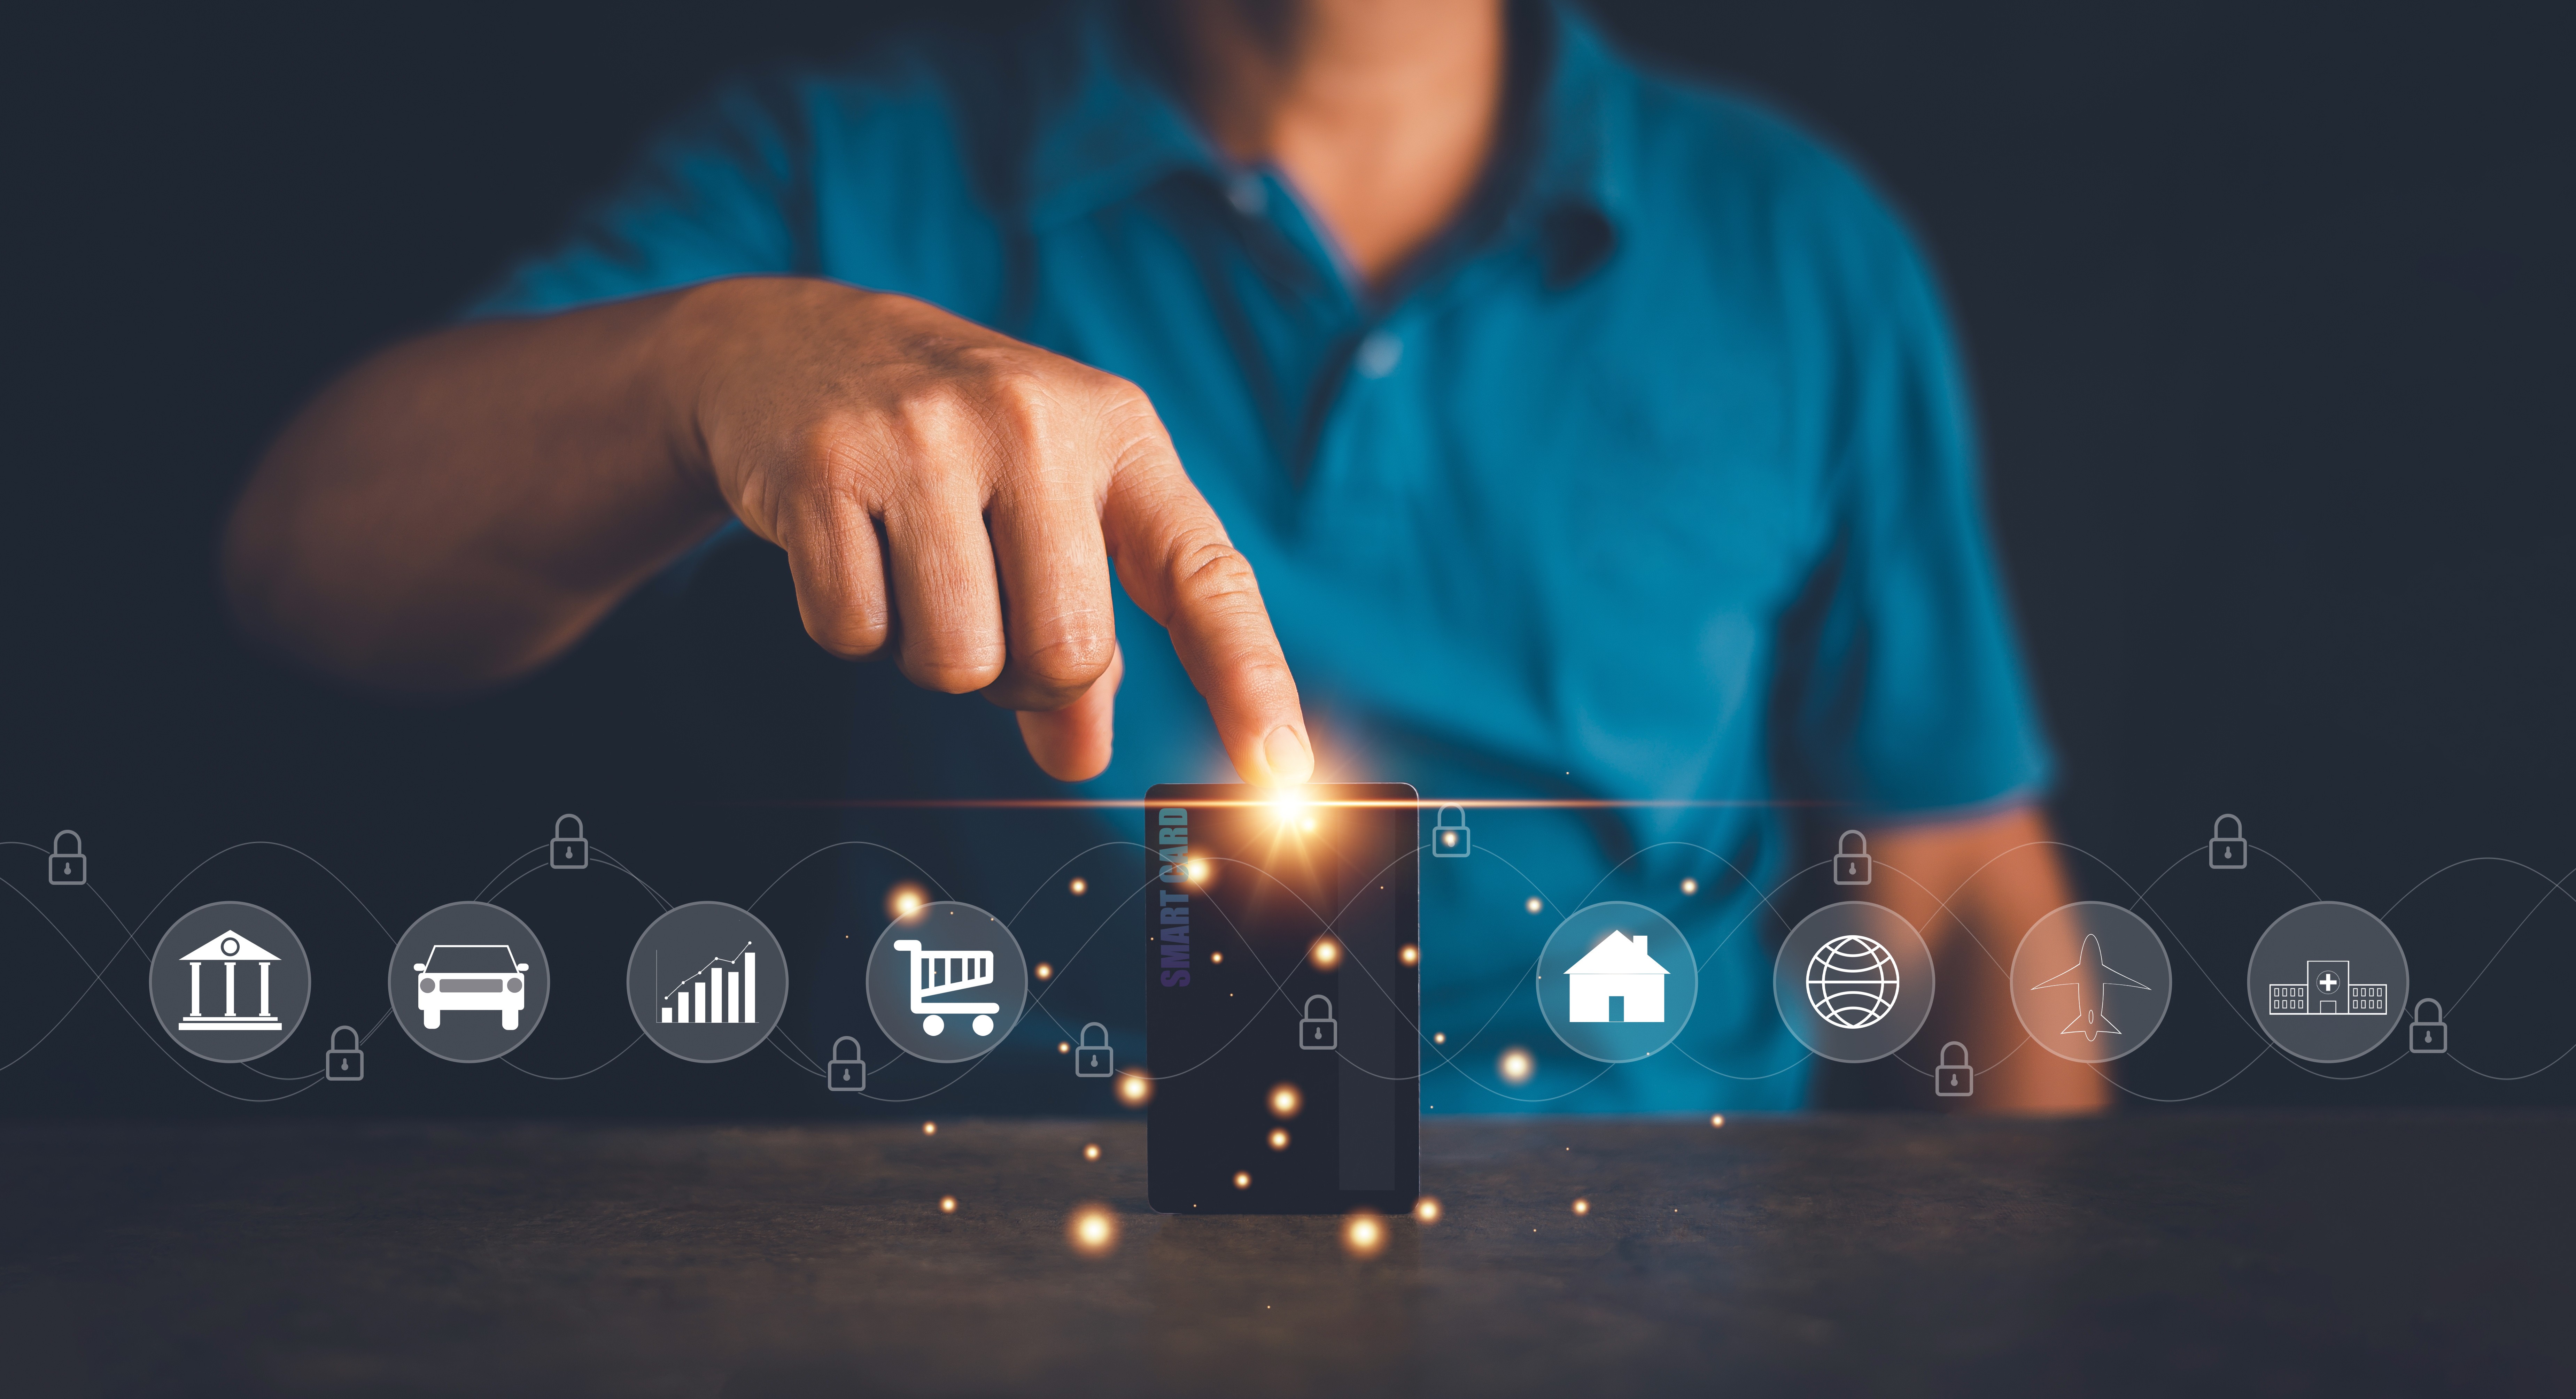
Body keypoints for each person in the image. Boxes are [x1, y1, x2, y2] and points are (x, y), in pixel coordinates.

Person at [224, 0, 2107, 1113]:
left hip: (1666, 1279)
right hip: (992, 1274)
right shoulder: (846, 169)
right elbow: (306, 564)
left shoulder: (1796, 247)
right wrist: (703, 361)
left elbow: (1951, 872)